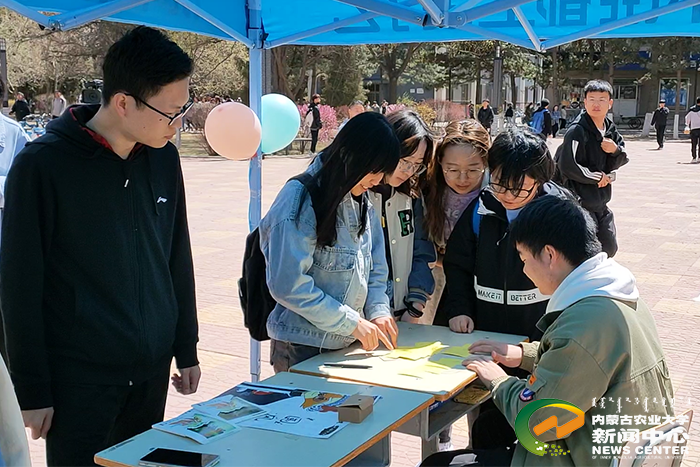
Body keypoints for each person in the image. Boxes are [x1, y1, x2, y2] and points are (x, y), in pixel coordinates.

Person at [0, 27, 200, 467]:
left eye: (182, 109)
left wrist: (186, 346)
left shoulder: (163, 157)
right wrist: (32, 390)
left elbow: (175, 255)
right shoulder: (42, 167)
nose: (179, 121)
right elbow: (18, 286)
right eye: (171, 111)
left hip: (151, 376)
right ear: (124, 102)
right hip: (80, 384)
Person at [423, 195, 674, 467]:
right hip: (617, 446)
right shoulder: (617, 294)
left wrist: (499, 380)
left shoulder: (585, 323)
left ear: (549, 255)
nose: (524, 269)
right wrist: (523, 354)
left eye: (523, 258)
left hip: (580, 457)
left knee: (437, 464)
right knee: (488, 429)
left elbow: (538, 423)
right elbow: (584, 364)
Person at [436, 127, 567, 451]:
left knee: (535, 421)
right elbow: (458, 263)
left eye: (518, 188)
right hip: (488, 332)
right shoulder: (481, 208)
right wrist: (461, 309)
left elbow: (578, 275)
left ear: (538, 178)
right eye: (498, 183)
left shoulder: (559, 212)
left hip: (537, 338)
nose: (507, 195)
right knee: (488, 420)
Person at [260, 112, 402, 373]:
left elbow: (376, 269)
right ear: (350, 155)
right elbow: (288, 285)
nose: (378, 181)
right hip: (301, 346)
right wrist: (351, 322)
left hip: (347, 344)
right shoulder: (300, 197)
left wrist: (379, 310)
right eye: (375, 171)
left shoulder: (361, 198)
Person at [368, 110, 436, 325]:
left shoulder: (411, 195)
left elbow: (421, 250)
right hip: (362, 319)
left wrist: (415, 305)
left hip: (402, 312)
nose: (409, 171)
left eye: (417, 164)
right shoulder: (359, 193)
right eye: (405, 160)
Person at [555, 79, 627, 257]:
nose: (596, 104)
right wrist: (598, 177)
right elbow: (568, 165)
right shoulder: (577, 130)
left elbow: (621, 158)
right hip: (579, 201)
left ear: (610, 103)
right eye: (592, 99)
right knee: (587, 252)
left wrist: (615, 150)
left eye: (602, 99)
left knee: (609, 247)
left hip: (600, 200)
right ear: (585, 102)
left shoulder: (610, 129)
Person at [685, 96, 700, 163]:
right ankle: (699, 158)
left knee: (694, 144)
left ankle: (694, 157)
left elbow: (687, 119)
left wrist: (687, 125)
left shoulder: (691, 110)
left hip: (693, 129)